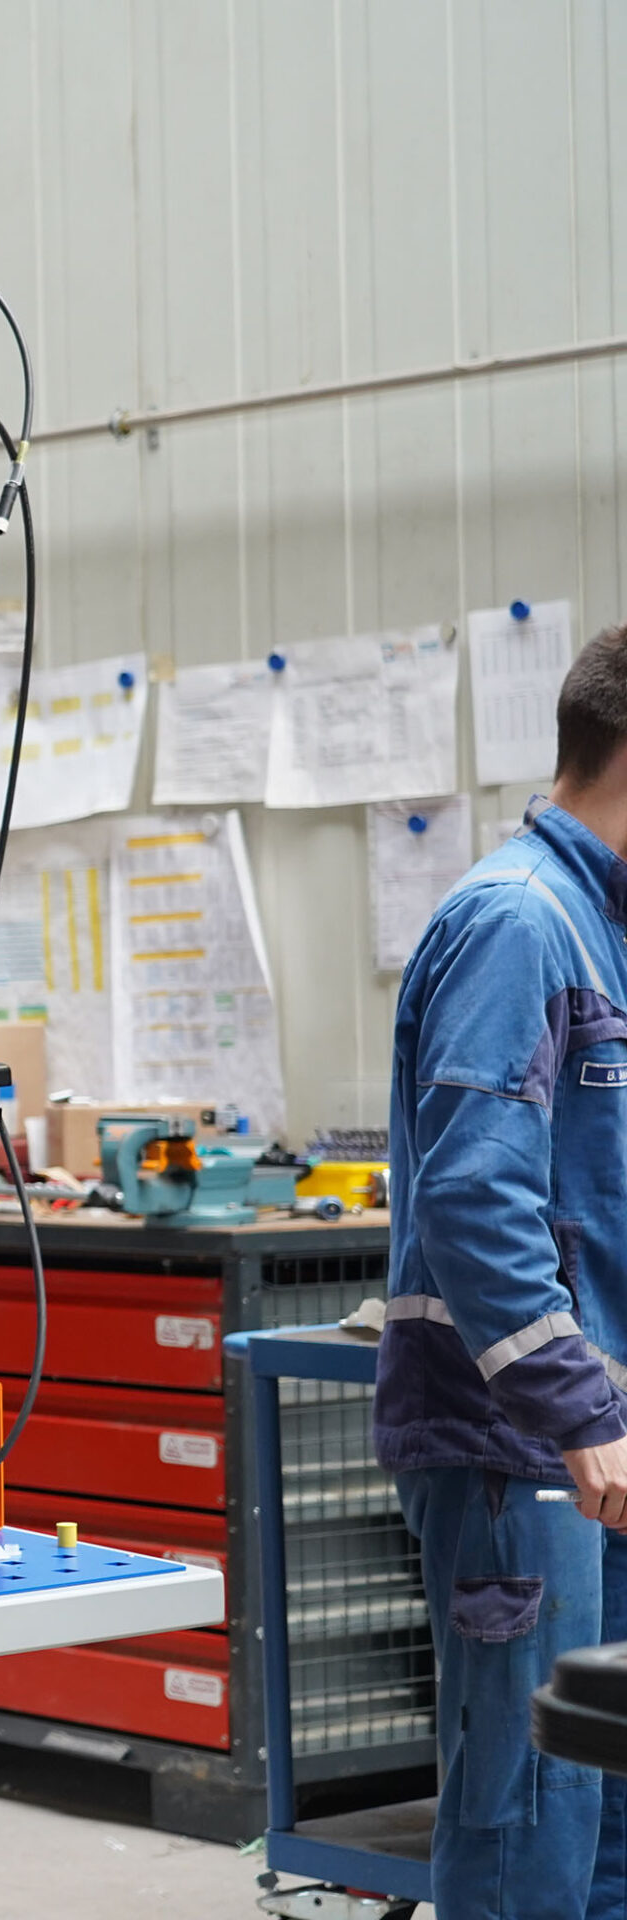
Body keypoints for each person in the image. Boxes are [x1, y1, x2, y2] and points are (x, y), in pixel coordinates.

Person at [380, 620, 627, 1918]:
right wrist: (580, 1417)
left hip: (596, 1445)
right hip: (518, 1449)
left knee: (609, 1803)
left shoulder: (601, 932)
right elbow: (476, 1196)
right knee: (529, 1817)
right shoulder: (518, 922)